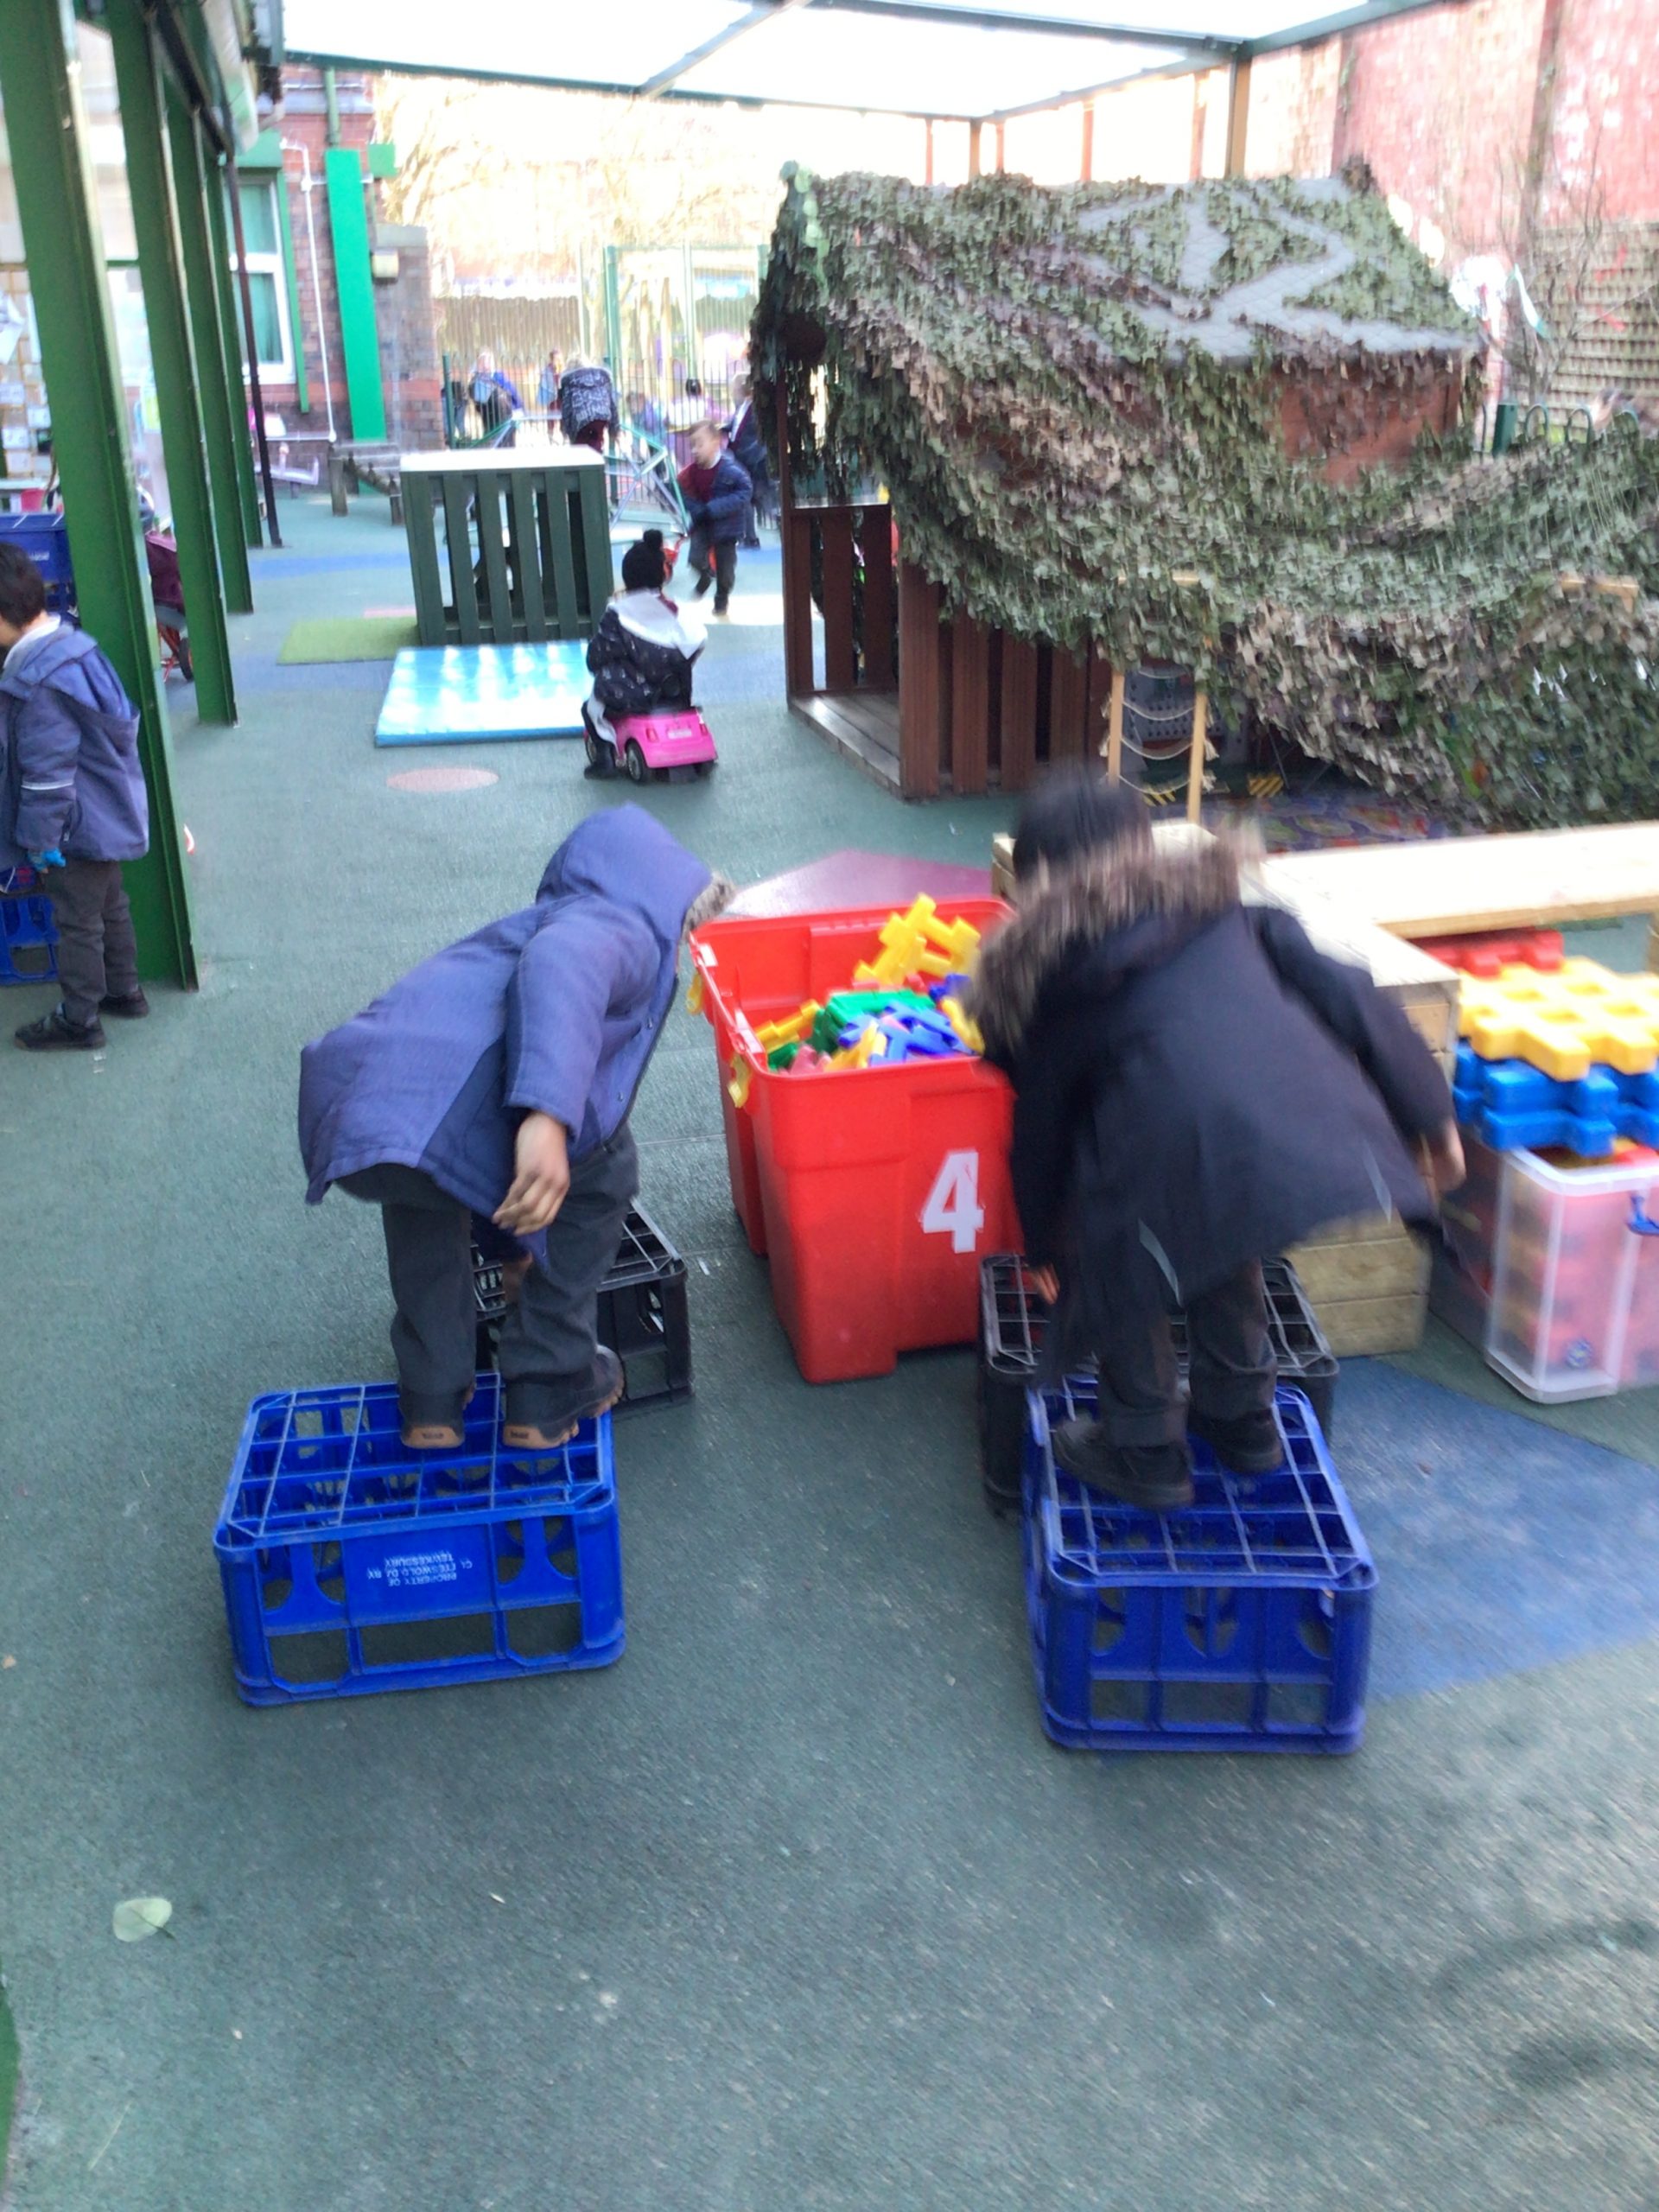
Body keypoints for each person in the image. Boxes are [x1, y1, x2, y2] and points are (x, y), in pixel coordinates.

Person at [968, 767, 1463, 1510]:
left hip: (1158, 1166)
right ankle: (1243, 1419)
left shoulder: (1051, 985)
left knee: (1123, 1251)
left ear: (1031, 889)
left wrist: (1045, 1244)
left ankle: (1145, 1450)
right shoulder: (1227, 914)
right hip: (1286, 1138)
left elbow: (1039, 1131)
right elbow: (1351, 993)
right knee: (1222, 1231)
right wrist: (1430, 1114)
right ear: (1146, 852)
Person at [299, 810, 733, 1452]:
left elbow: (473, 1154)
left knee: (426, 1197)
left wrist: (513, 1249)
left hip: (370, 1105)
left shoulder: (554, 917)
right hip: (440, 1105)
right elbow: (562, 964)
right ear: (675, 910)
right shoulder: (628, 926)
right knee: (605, 1167)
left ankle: (431, 1395)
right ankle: (549, 1379)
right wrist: (546, 1117)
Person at [0, 543, 150, 1052]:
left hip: (72, 829)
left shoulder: (37, 684)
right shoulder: (75, 647)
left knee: (77, 922)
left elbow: (47, 776)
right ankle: (125, 991)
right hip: (106, 811)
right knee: (111, 906)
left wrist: (40, 842)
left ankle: (80, 1019)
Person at [582, 530, 704, 779]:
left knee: (590, 707)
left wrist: (598, 663)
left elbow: (599, 654)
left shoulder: (618, 614)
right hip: (674, 692)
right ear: (662, 575)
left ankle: (604, 758)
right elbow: (697, 640)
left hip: (630, 693)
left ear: (627, 578)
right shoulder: (673, 610)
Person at [677, 421, 752, 618]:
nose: (695, 450)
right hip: (703, 524)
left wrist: (713, 508)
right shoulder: (691, 473)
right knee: (695, 558)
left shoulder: (730, 470)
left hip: (726, 527)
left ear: (716, 442)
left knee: (725, 569)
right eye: (692, 445)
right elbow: (687, 496)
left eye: (700, 444)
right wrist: (697, 510)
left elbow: (744, 491)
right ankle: (706, 575)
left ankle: (721, 598)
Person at [726, 374, 770, 545]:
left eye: (734, 389)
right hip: (739, 458)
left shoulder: (754, 410)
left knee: (747, 498)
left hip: (750, 460)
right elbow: (736, 426)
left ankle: (750, 537)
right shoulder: (742, 407)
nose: (732, 393)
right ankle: (748, 536)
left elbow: (754, 437)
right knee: (745, 498)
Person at [559, 356, 620, 454]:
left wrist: (566, 431)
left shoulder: (569, 381)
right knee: (597, 437)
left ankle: (588, 460)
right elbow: (612, 404)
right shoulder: (600, 378)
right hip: (602, 413)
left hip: (581, 417)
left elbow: (567, 409)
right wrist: (614, 429)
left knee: (580, 444)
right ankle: (598, 456)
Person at [468, 350, 522, 437]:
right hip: (489, 417)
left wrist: (518, 410)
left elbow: (513, 394)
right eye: (482, 362)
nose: (485, 365)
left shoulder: (499, 376)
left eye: (487, 361)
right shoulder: (477, 380)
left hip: (507, 415)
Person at [537, 349, 564, 413]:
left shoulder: (562, 369)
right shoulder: (548, 370)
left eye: (560, 359)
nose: (559, 361)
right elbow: (546, 382)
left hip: (561, 395)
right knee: (552, 411)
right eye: (556, 359)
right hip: (552, 395)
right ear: (552, 360)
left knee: (562, 412)